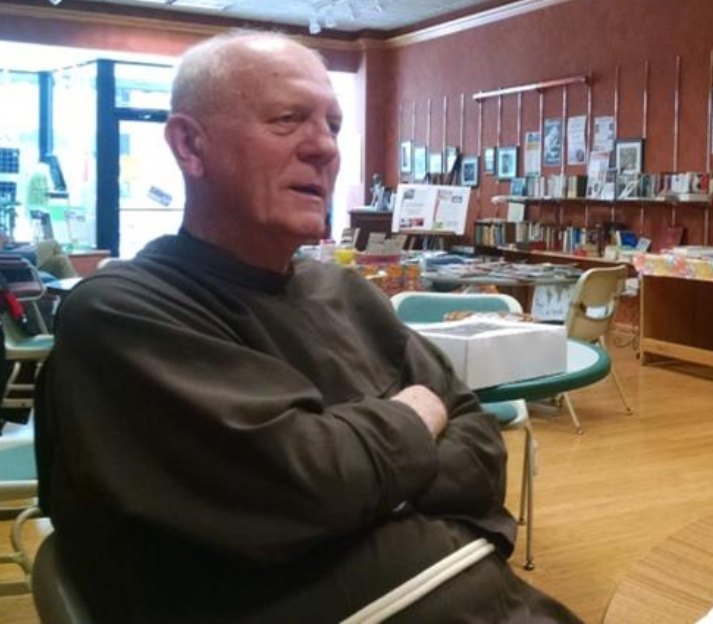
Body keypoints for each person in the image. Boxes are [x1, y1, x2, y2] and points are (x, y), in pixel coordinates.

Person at [35, 31, 579, 623]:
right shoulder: (124, 314)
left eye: (333, 126)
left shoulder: (347, 294)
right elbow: (309, 485)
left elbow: (480, 453)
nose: (323, 147)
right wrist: (416, 416)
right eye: (288, 119)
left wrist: (361, 482)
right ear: (191, 145)